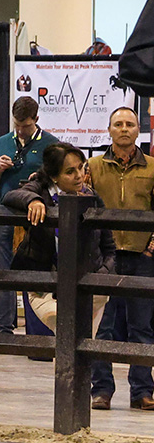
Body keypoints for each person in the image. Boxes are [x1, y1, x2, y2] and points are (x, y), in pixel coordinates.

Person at [3, 142, 113, 338]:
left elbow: (108, 246)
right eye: (70, 171)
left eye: (81, 167)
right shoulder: (40, 189)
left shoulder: (92, 196)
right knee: (67, 334)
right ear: (54, 176)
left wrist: (103, 274)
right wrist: (33, 200)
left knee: (81, 342)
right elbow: (11, 196)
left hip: (89, 285)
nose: (79, 175)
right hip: (46, 285)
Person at [88, 106, 154, 411]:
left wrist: (151, 246)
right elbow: (83, 205)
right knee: (103, 326)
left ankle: (142, 391)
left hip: (143, 257)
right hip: (105, 259)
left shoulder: (152, 168)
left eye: (129, 124)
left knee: (143, 327)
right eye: (118, 124)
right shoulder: (93, 166)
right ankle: (101, 390)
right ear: (109, 130)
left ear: (138, 130)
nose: (124, 128)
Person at [0, 96, 59, 334]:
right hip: (4, 216)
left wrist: (41, 179)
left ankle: (40, 329)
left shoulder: (51, 145)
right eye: (16, 124)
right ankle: (4, 329)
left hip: (36, 218)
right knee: (2, 273)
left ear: (36, 119)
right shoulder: (3, 142)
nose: (20, 130)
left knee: (36, 272)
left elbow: (58, 182)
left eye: (25, 125)